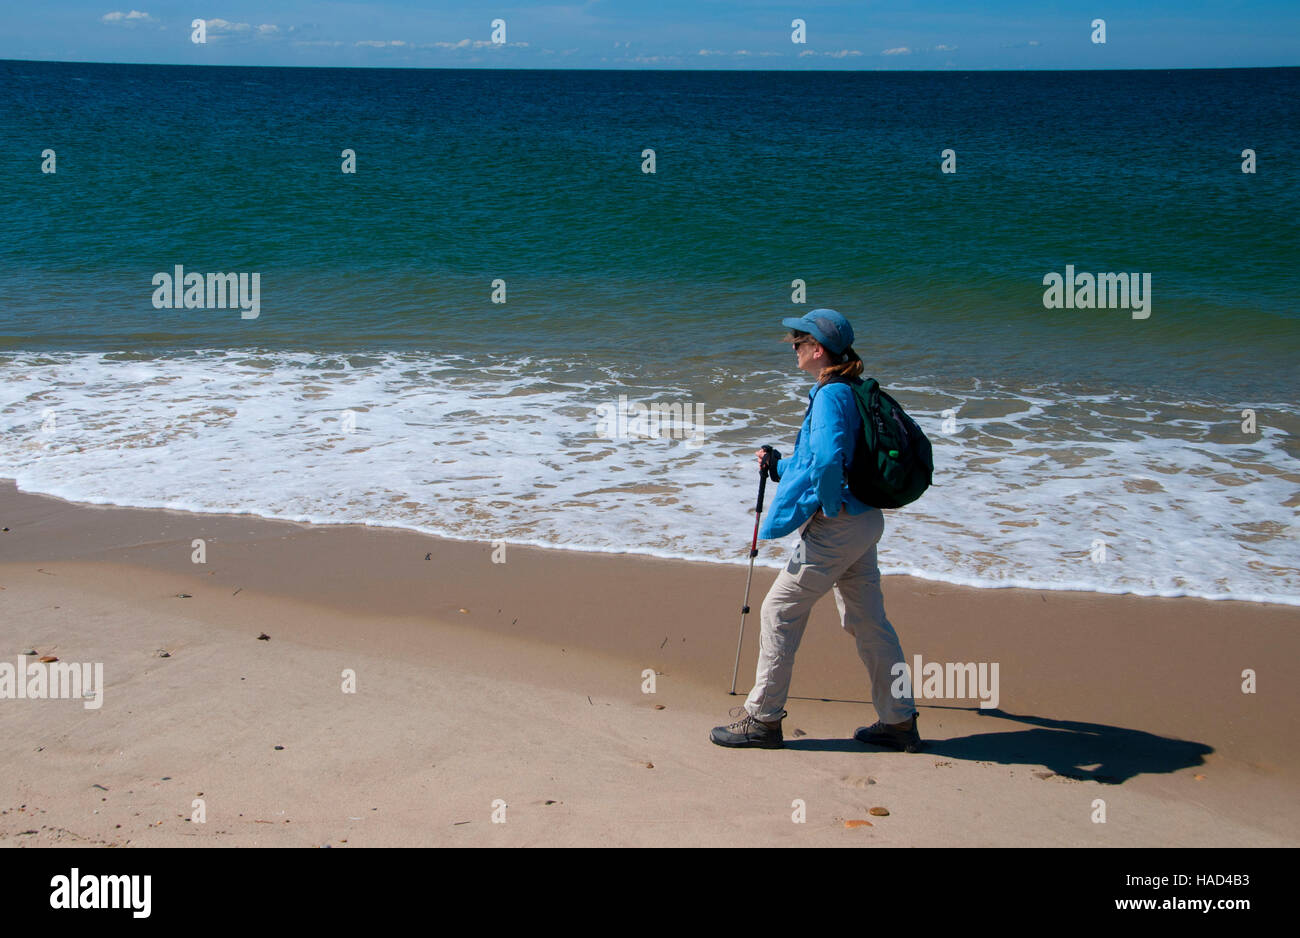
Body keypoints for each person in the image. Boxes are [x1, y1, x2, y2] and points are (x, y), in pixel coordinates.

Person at [710, 308, 921, 751]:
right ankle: (899, 722)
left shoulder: (828, 396)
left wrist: (828, 508)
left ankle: (763, 720)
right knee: (868, 621)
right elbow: (815, 461)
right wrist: (779, 465)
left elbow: (827, 463)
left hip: (839, 526)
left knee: (778, 611)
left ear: (817, 350)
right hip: (866, 520)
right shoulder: (852, 390)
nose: (794, 347)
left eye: (798, 342)